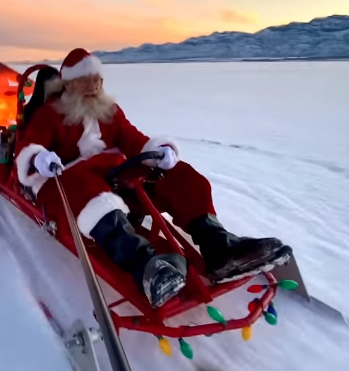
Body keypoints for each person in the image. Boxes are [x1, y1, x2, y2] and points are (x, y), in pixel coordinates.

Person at [15, 48, 292, 308]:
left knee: (181, 176)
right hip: (67, 184)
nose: (94, 86)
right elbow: (28, 149)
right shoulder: (49, 114)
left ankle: (220, 248)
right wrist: (39, 158)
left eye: (97, 80)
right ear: (68, 84)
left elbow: (132, 139)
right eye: (85, 80)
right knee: (89, 190)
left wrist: (159, 152)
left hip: (114, 176)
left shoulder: (109, 111)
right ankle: (145, 266)